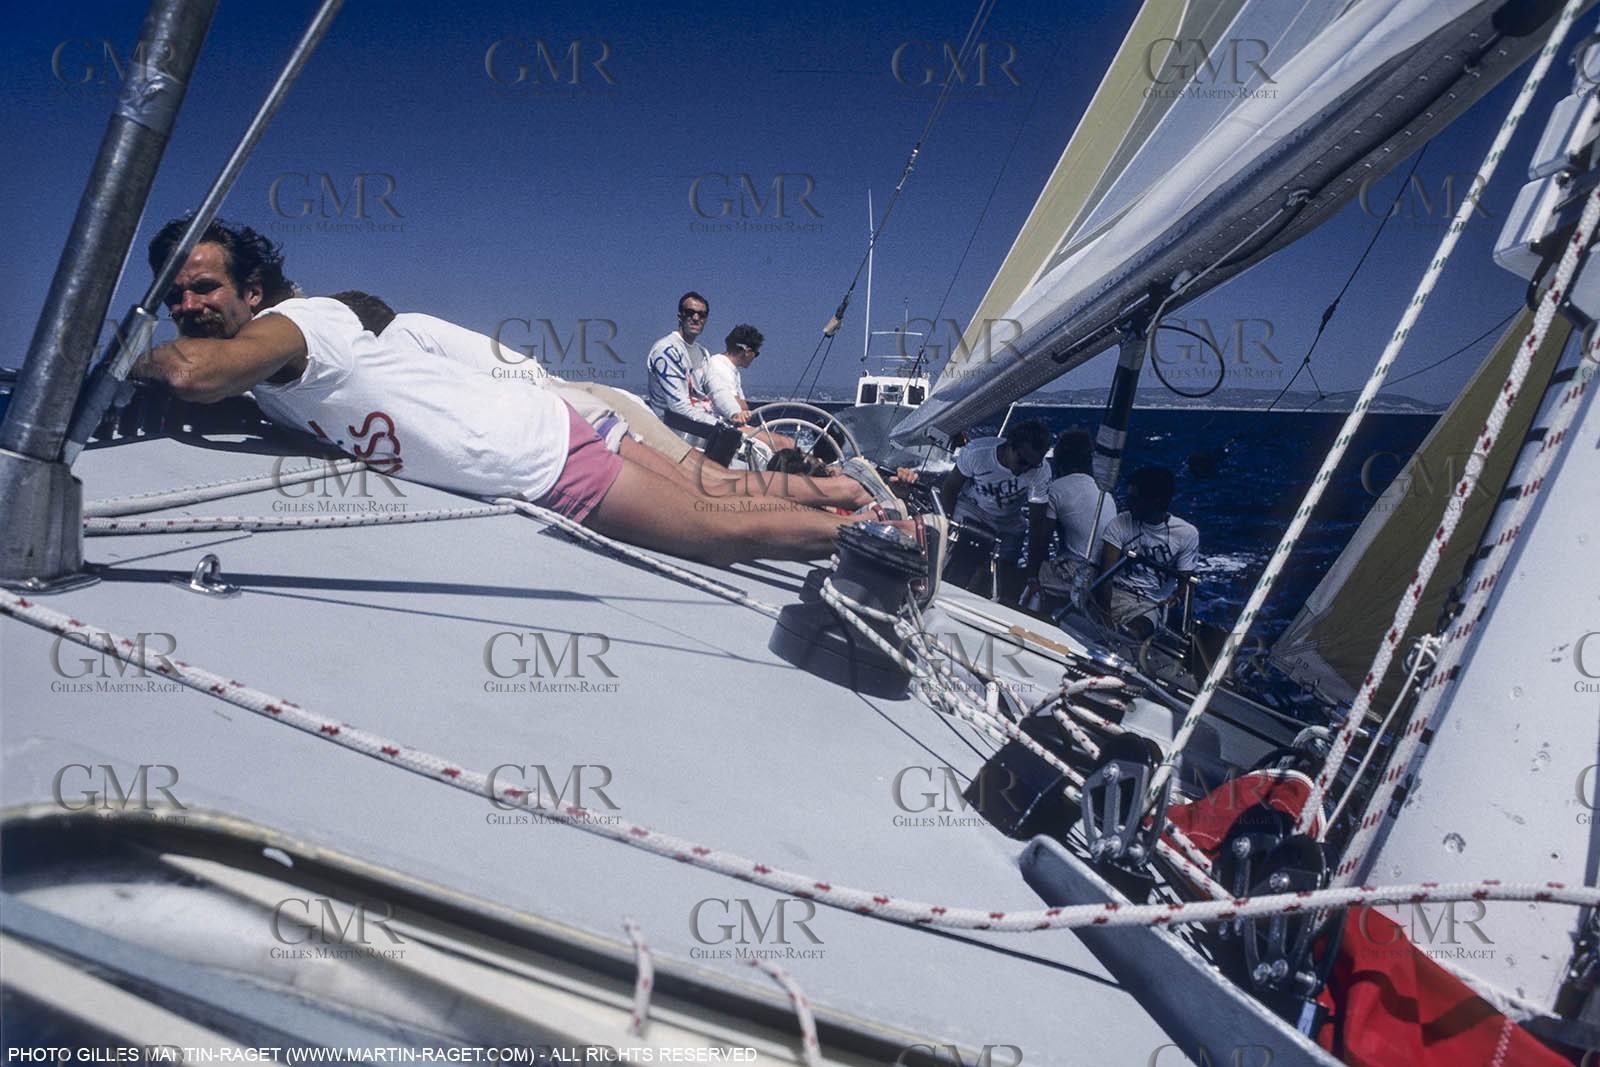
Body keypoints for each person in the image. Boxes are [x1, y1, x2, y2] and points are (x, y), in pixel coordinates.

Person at [132, 219, 941, 570]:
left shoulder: (294, 329)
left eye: (201, 289)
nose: (186, 309)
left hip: (536, 457)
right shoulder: (298, 338)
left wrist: (126, 353)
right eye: (172, 298)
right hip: (545, 423)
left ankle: (880, 541)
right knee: (723, 493)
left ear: (254, 288)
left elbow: (194, 377)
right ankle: (846, 496)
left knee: (719, 532)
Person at [937, 419, 1053, 605]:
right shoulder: (976, 453)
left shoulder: (1041, 472)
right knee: (961, 553)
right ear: (1009, 445)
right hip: (972, 509)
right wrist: (944, 527)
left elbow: (1037, 523)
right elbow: (950, 489)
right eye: (1022, 461)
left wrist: (1033, 574)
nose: (1024, 470)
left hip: (1008, 521)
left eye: (1031, 465)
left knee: (1006, 570)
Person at [1095, 465, 1200, 638]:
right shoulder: (1119, 523)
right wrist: (1106, 618)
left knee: (1141, 627)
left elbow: (1185, 586)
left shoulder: (1187, 534)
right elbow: (1105, 577)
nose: (1128, 503)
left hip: (1148, 605)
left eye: (1134, 499)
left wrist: (1176, 599)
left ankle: (1125, 635)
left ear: (1156, 502)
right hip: (1114, 594)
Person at [1024, 428, 1116, 613]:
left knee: (1014, 572)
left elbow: (1039, 542)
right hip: (1100, 576)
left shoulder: (1056, 489)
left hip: (1077, 573)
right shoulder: (1106, 495)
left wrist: (1033, 577)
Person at [646, 292, 723, 451]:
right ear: (680, 316)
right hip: (674, 436)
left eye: (701, 315)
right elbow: (679, 408)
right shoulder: (666, 351)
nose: (696, 318)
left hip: (702, 431)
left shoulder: (703, 354)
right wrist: (723, 427)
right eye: (690, 313)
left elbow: (716, 391)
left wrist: (734, 415)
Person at [703, 324, 794, 454]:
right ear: (747, 352)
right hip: (723, 427)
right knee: (786, 444)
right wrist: (739, 408)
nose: (754, 358)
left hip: (732, 425)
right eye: (756, 354)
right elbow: (738, 408)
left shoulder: (731, 370)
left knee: (789, 443)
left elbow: (743, 407)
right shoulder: (719, 366)